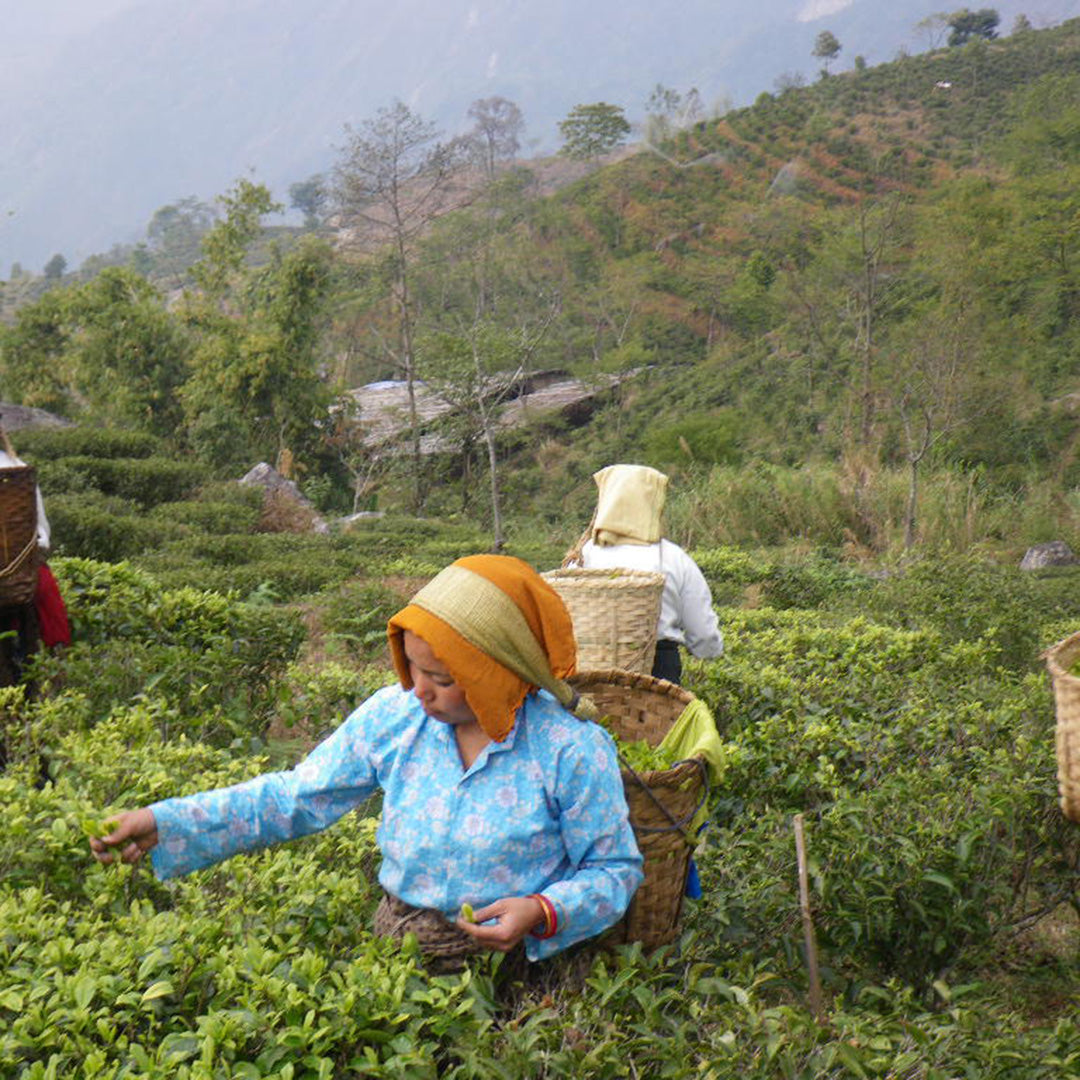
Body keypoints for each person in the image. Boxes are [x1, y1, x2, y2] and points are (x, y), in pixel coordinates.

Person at [90, 554, 643, 970]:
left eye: (443, 679)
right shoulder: (395, 718)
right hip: (400, 939)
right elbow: (294, 798)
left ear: (497, 671)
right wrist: (165, 821)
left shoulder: (569, 748)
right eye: (413, 667)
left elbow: (614, 870)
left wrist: (543, 912)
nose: (419, 690)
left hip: (518, 963)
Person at [576, 464, 723, 685]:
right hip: (658, 668)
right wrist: (709, 652)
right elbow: (703, 634)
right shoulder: (673, 557)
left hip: (592, 669)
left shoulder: (583, 557)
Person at [0, 424, 69, 689]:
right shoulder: (19, 469)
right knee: (46, 593)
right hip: (20, 577)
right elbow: (42, 534)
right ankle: (57, 666)